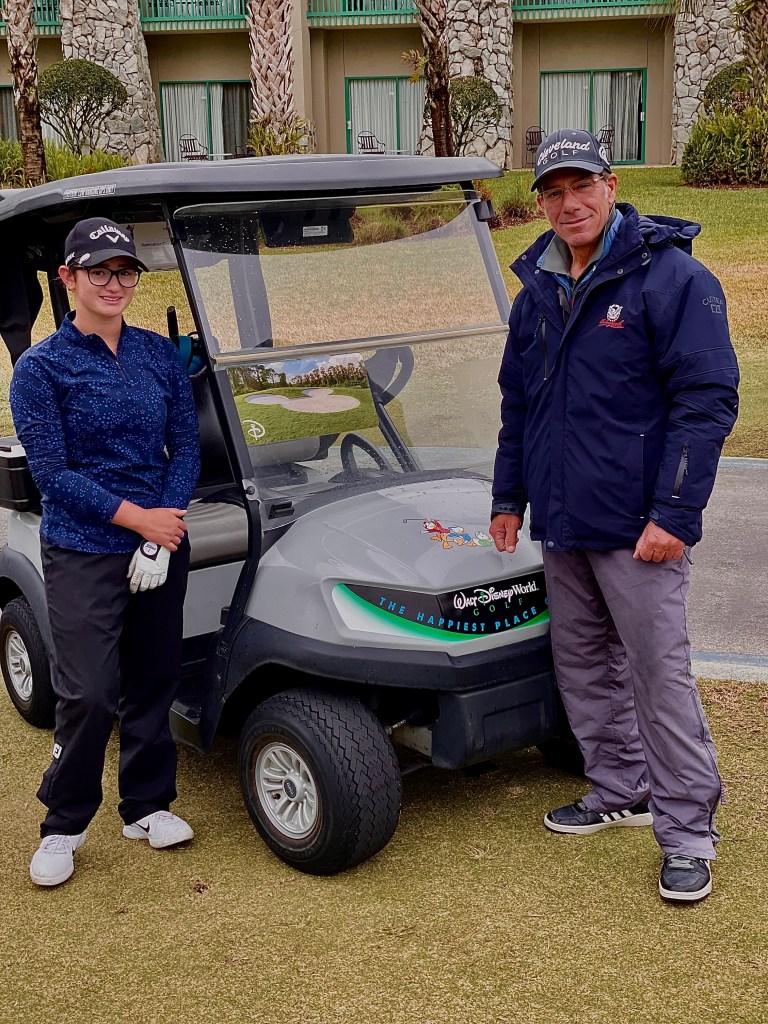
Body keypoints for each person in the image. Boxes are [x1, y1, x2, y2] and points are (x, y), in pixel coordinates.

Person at [489, 129, 739, 903]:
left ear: (611, 186)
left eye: (582, 186)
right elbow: (520, 405)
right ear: (541, 201)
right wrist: (508, 497)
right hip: (564, 519)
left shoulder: (673, 278)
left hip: (642, 529)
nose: (569, 204)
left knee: (658, 677)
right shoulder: (536, 289)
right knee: (583, 666)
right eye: (554, 191)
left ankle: (688, 832)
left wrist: (675, 512)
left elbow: (707, 401)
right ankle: (620, 787)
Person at [10, 217, 201, 887]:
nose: (115, 284)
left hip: (161, 539)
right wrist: (139, 521)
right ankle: (64, 823)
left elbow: (185, 446)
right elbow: (54, 474)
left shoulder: (157, 355)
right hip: (84, 547)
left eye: (125, 272)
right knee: (89, 693)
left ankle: (146, 806)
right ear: (69, 278)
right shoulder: (40, 369)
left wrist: (163, 526)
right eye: (99, 271)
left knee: (154, 677)